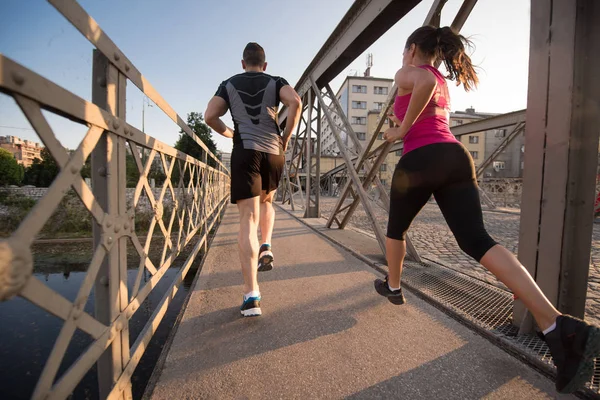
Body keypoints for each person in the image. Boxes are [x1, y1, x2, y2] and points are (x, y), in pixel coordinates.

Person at [375, 25, 600, 394]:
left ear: (412, 48)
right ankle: (559, 327)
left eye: (404, 54)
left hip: (421, 160)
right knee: (477, 240)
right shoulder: (440, 79)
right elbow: (429, 105)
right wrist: (399, 128)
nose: (402, 60)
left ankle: (394, 284)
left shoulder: (409, 72)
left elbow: (421, 93)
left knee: (395, 229)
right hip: (456, 157)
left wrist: (401, 133)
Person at [205, 42, 302, 317]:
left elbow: (210, 115)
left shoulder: (228, 84)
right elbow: (295, 102)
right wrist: (286, 137)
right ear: (265, 64)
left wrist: (228, 133)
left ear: (242, 63)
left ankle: (251, 296)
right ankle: (266, 245)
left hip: (245, 151)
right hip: (274, 151)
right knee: (267, 201)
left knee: (247, 217)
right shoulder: (276, 80)